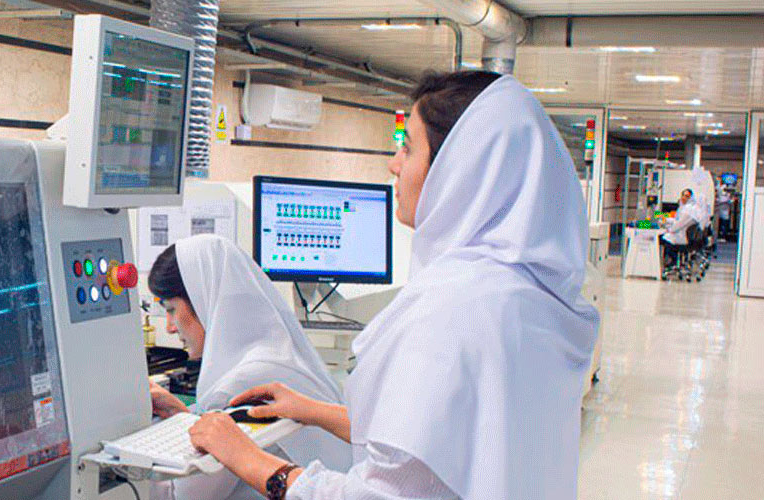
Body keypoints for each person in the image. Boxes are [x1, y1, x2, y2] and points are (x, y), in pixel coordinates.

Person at [186, 71, 600, 499]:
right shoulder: (525, 294)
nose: (394, 164)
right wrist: (313, 411)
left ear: (458, 169)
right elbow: (447, 446)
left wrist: (246, 457)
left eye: (409, 148)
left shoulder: (451, 310)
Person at [146, 234, 352, 500]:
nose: (169, 327)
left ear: (202, 300)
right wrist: (181, 416)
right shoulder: (274, 355)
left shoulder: (241, 384)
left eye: (171, 309)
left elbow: (184, 496)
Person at [660, 189, 699, 264]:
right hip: (682, 235)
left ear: (691, 198)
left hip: (681, 238)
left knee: (662, 239)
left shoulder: (688, 210)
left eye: (687, 196)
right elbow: (677, 220)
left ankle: (672, 261)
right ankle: (673, 261)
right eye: (683, 195)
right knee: (665, 237)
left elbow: (678, 225)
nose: (684, 198)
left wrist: (668, 229)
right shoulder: (686, 208)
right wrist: (666, 220)